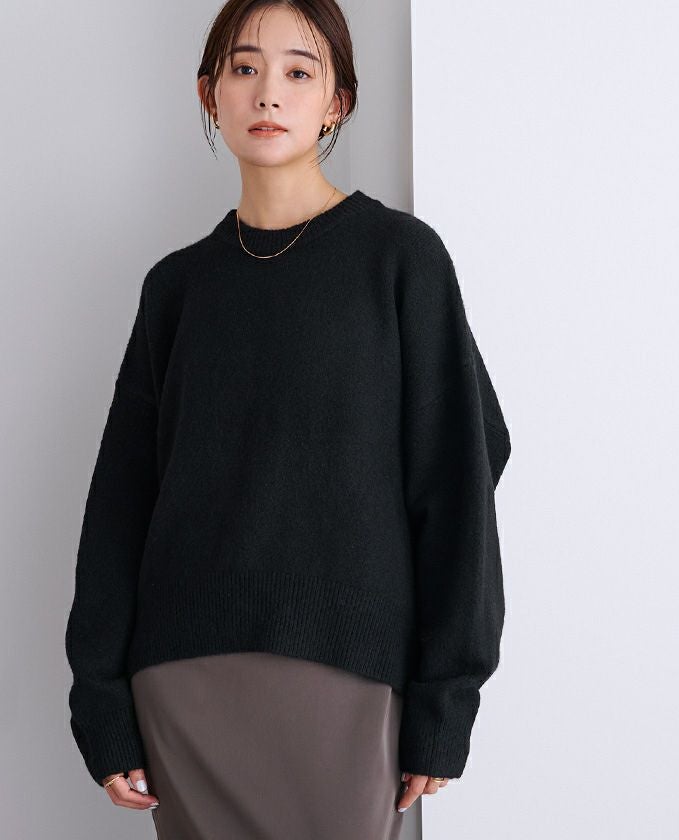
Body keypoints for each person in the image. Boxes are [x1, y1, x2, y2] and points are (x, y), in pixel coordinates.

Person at [64, 1, 512, 838]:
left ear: (337, 102)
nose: (268, 92)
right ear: (210, 94)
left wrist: (446, 699)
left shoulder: (400, 261)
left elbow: (459, 480)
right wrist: (99, 700)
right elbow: (120, 509)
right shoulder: (176, 289)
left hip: (348, 680)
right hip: (180, 684)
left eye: (299, 72)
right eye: (244, 68)